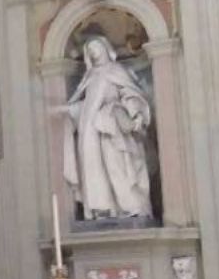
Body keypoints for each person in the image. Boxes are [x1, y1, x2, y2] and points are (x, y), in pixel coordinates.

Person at [55, 35, 152, 220]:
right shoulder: (89, 76)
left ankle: (130, 206)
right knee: (93, 169)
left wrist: (136, 113)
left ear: (106, 48)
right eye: (90, 50)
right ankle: (103, 208)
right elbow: (83, 104)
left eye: (96, 47)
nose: (93, 52)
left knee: (118, 165)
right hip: (90, 131)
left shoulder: (116, 70)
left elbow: (130, 93)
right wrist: (68, 110)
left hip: (112, 127)